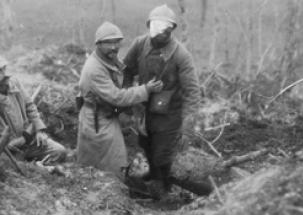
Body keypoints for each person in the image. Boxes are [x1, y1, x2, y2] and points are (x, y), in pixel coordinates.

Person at [123, 5, 212, 197]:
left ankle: (163, 191)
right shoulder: (140, 45)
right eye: (157, 26)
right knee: (146, 145)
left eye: (166, 27)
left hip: (170, 113)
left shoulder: (181, 55)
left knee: (163, 156)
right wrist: (129, 99)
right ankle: (156, 178)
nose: (161, 31)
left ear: (172, 29)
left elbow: (192, 93)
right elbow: (127, 70)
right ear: (149, 26)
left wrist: (187, 129)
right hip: (144, 109)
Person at [77, 21, 163, 177]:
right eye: (109, 43)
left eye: (117, 42)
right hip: (97, 120)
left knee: (105, 162)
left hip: (105, 114)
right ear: (98, 44)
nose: (114, 47)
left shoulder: (108, 59)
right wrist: (145, 89)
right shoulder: (94, 69)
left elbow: (122, 75)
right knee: (110, 163)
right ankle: (112, 190)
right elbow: (117, 97)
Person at [0, 52, 67, 165]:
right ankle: (33, 168)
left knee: (59, 152)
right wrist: (9, 147)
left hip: (27, 140)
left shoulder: (13, 83)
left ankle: (37, 166)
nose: (4, 74)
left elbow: (29, 106)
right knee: (13, 167)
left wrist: (39, 130)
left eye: (4, 68)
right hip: (6, 152)